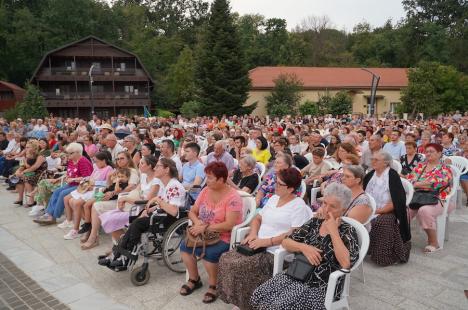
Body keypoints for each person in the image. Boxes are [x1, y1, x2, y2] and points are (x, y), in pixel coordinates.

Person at [250, 183, 360, 310]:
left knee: (277, 306)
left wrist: (334, 232)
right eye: (324, 203)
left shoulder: (347, 230)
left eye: (333, 206)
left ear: (343, 209)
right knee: (258, 295)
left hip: (321, 286)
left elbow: (346, 263)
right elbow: (286, 242)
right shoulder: (315, 222)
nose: (326, 209)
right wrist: (304, 248)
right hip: (296, 274)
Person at [217, 168, 313, 309]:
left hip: (275, 251)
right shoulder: (274, 199)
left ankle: (248, 304)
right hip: (257, 244)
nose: (275, 186)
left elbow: (293, 234)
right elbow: (257, 218)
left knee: (241, 266)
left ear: (291, 188)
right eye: (276, 183)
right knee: (226, 258)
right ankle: (239, 300)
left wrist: (266, 242)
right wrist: (253, 234)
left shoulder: (298, 206)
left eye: (280, 184)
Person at [179, 162, 242, 304]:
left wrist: (205, 227)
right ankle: (194, 279)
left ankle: (214, 286)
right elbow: (193, 211)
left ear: (221, 179)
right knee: (185, 247)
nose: (206, 181)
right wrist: (197, 223)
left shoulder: (233, 197)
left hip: (224, 235)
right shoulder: (206, 191)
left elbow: (229, 224)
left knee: (210, 253)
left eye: (210, 178)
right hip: (204, 232)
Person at [109, 158, 186, 270]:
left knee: (137, 223)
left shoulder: (174, 186)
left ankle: (125, 257)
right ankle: (119, 255)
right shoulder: (167, 184)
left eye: (158, 166)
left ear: (167, 169)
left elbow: (174, 211)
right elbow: (166, 203)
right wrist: (151, 209)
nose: (155, 168)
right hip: (161, 215)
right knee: (137, 220)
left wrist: (157, 200)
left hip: (168, 219)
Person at [363, 151, 411, 266]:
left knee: (381, 222)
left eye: (376, 160)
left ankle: (384, 256)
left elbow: (396, 201)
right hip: (370, 208)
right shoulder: (370, 174)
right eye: (372, 159)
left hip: (388, 211)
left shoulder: (392, 176)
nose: (372, 162)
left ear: (385, 163)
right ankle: (362, 248)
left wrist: (377, 211)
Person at [407, 143, 452, 253]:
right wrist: (424, 184)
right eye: (426, 151)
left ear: (440, 153)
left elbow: (439, 183)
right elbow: (410, 179)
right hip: (418, 197)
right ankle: (402, 237)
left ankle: (433, 242)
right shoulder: (421, 165)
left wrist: (418, 184)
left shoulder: (445, 168)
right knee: (404, 210)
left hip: (437, 198)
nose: (428, 153)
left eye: (431, 151)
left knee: (424, 211)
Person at [33, 143, 93, 225]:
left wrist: (73, 179)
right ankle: (49, 214)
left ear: (78, 152)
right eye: (68, 153)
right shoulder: (71, 161)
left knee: (62, 194)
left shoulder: (83, 161)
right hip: (72, 184)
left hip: (82, 186)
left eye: (70, 153)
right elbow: (69, 172)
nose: (68, 155)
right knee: (57, 191)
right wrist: (67, 177)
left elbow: (87, 178)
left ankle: (53, 216)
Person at [62, 151, 114, 239]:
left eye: (97, 161)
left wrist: (94, 183)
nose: (95, 163)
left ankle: (76, 229)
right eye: (94, 161)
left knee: (77, 203)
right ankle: (88, 224)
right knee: (70, 200)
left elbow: (108, 183)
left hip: (97, 190)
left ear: (103, 160)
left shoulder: (109, 168)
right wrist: (84, 180)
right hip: (90, 188)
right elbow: (91, 177)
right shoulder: (97, 168)